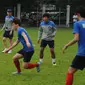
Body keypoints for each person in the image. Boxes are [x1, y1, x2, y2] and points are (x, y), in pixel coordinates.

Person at [62, 6, 85, 85]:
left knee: (70, 71)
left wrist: (66, 45)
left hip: (83, 53)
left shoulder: (77, 24)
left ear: (78, 14)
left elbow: (76, 39)